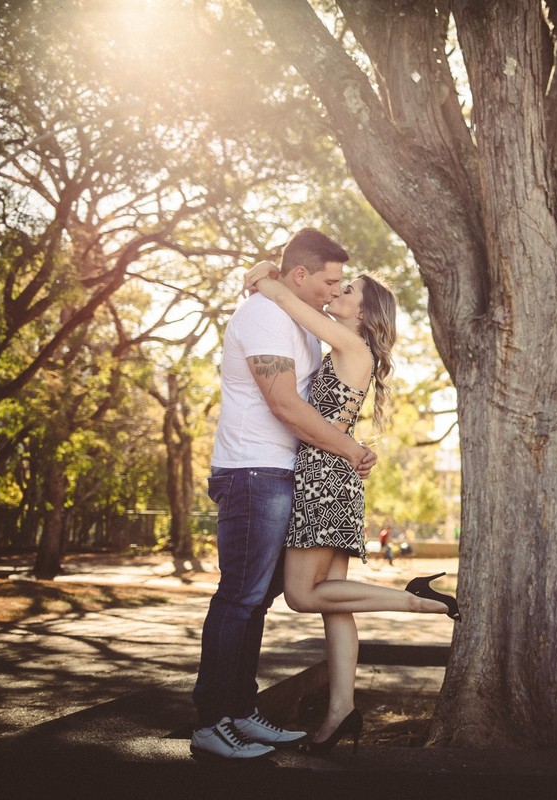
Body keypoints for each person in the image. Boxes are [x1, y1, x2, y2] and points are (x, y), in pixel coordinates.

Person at [244, 259, 460, 757]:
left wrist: (263, 279)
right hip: (333, 475)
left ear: (364, 314)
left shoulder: (349, 343)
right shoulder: (348, 349)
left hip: (323, 480)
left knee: (302, 595)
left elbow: (287, 301)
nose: (339, 290)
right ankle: (340, 711)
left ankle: (414, 600)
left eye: (350, 290)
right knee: (334, 609)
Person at [190, 228, 376, 760]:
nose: (333, 291)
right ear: (300, 275)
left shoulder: (295, 316)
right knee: (240, 596)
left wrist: (346, 445)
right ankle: (212, 721)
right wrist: (348, 449)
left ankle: (240, 711)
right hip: (252, 471)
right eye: (330, 281)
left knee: (257, 601)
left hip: (283, 472)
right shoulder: (264, 315)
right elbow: (285, 406)